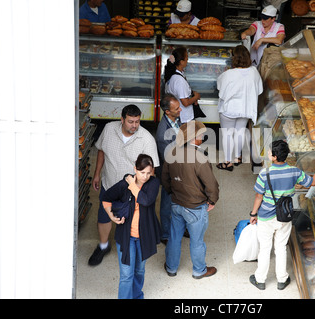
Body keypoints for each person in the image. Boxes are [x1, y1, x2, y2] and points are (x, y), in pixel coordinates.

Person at [249, 140, 315, 290]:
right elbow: (312, 182)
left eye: (269, 152)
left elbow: (258, 197)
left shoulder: (264, 174)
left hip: (266, 216)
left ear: (273, 157)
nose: (267, 153)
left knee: (265, 248)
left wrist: (253, 213)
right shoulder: (294, 171)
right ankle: (282, 279)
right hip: (284, 215)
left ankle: (260, 279)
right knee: (280, 247)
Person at [89, 104, 160, 266]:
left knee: (128, 221)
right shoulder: (108, 129)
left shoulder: (147, 139)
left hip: (130, 191)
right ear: (122, 119)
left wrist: (145, 195)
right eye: (130, 121)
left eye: (137, 121)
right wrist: (97, 173)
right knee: (104, 215)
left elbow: (152, 170)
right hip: (109, 183)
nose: (134, 125)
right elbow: (101, 151)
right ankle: (103, 245)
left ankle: (130, 248)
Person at [162, 121, 219, 279]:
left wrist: (172, 193)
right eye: (200, 135)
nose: (202, 137)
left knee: (174, 237)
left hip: (176, 203)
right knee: (197, 241)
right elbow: (211, 184)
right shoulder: (199, 157)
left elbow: (165, 179)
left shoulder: (172, 152)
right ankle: (199, 270)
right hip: (195, 207)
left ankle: (171, 267)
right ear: (194, 138)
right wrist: (212, 200)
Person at [102, 154, 161, 299]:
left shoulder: (153, 183)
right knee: (127, 275)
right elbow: (106, 197)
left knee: (139, 271)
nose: (145, 176)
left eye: (148, 172)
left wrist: (132, 184)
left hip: (144, 236)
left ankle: (137, 296)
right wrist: (111, 216)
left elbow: (145, 200)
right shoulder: (123, 185)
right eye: (142, 172)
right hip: (126, 236)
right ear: (135, 169)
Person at [216, 45, 263, 171]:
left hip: (229, 110)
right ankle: (237, 157)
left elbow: (220, 89)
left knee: (227, 135)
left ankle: (228, 162)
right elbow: (259, 90)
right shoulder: (254, 71)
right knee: (240, 132)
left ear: (234, 58)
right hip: (246, 109)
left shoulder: (228, 74)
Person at [155, 94, 182, 244]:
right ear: (167, 112)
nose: (180, 110)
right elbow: (169, 159)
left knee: (180, 201)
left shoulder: (175, 119)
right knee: (167, 203)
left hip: (180, 166)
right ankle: (165, 234)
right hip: (170, 172)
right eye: (177, 108)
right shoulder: (162, 134)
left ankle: (179, 226)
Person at [164, 47, 201, 123]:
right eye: (186, 57)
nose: (187, 59)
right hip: (184, 118)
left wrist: (192, 93)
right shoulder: (179, 80)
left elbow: (178, 92)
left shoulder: (172, 75)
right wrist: (196, 96)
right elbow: (185, 103)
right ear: (181, 62)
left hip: (178, 117)